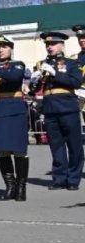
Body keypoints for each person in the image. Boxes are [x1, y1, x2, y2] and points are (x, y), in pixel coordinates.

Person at [0, 36, 32, 200]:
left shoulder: (17, 65)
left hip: (14, 109)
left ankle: (21, 187)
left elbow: (13, 78)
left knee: (19, 150)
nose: (0, 50)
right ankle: (10, 186)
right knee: (2, 151)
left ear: (11, 48)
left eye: (4, 46)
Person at [36, 31, 83, 190]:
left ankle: (73, 179)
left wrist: (55, 74)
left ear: (62, 45)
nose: (49, 47)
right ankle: (59, 178)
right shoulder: (41, 63)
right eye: (47, 44)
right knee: (56, 145)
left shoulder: (71, 62)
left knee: (74, 144)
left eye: (53, 44)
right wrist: (33, 81)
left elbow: (76, 81)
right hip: (50, 107)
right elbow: (35, 89)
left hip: (67, 107)